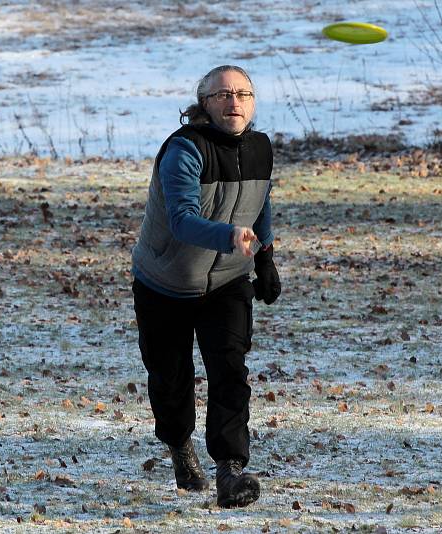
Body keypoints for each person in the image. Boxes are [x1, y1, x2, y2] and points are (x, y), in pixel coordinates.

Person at [131, 65, 281, 508]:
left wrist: (266, 258)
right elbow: (181, 219)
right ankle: (180, 447)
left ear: (253, 102)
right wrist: (230, 235)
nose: (233, 102)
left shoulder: (260, 148)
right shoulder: (185, 150)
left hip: (228, 281)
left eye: (242, 93)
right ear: (204, 103)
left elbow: (262, 202)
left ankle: (230, 470)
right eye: (222, 95)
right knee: (170, 378)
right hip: (165, 282)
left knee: (230, 370)